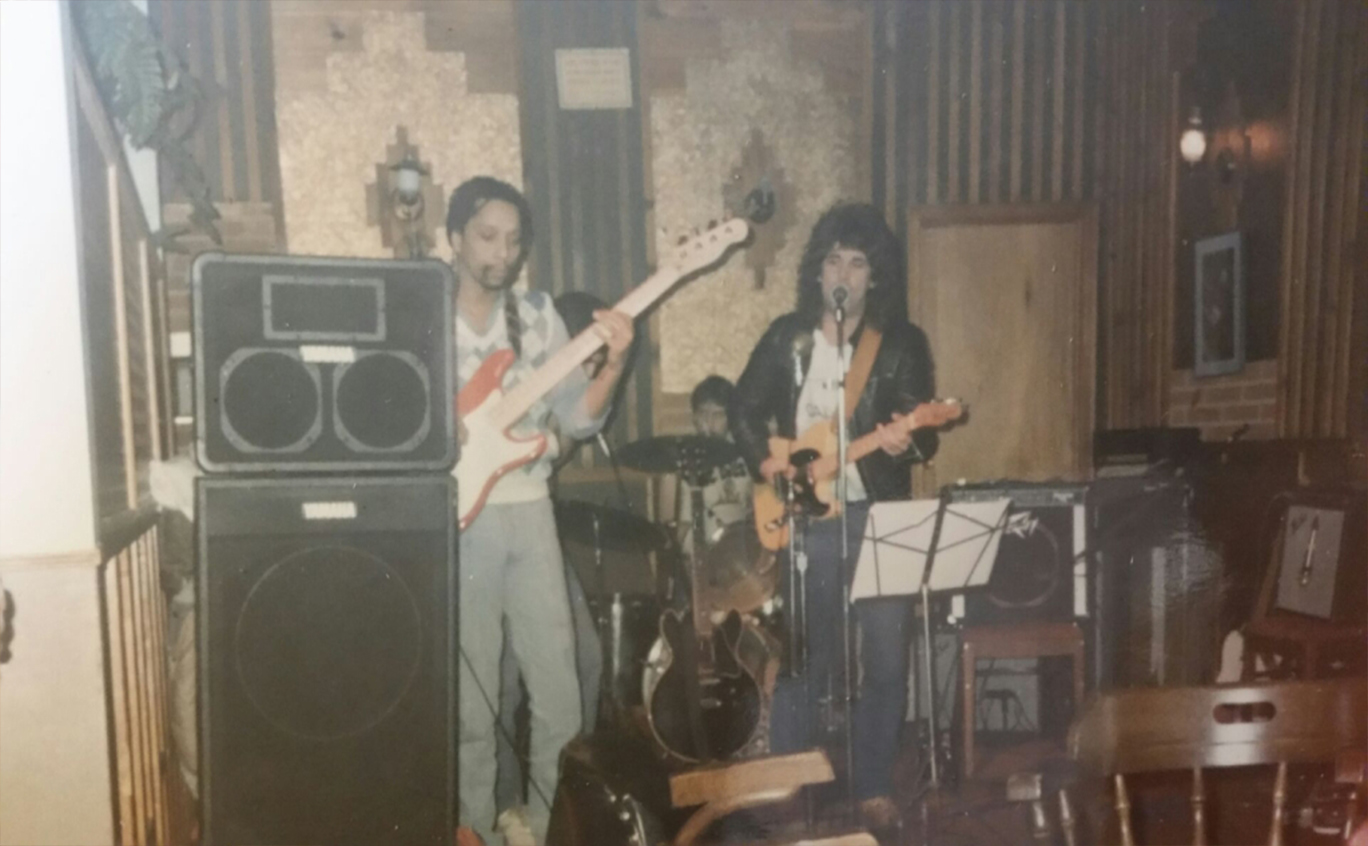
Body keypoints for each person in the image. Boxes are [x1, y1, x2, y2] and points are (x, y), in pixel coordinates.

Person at [730, 202, 938, 829]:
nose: (843, 273)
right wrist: (767, 464)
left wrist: (905, 441)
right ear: (817, 272)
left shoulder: (900, 344)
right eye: (833, 260)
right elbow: (743, 409)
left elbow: (925, 433)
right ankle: (786, 784)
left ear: (875, 276)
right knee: (802, 660)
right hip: (807, 517)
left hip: (878, 515)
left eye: (858, 262)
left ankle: (872, 784)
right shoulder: (786, 338)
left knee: (886, 659)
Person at [448, 177, 634, 846]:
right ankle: (475, 830)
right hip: (461, 521)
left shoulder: (539, 316)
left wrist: (613, 363)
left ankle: (552, 828)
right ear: (455, 239)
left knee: (560, 693)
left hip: (531, 514)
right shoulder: (422, 316)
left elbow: (577, 419)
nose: (503, 252)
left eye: (513, 240)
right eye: (487, 236)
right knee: (473, 706)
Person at [493, 291, 613, 845]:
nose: (589, 370)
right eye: (587, 359)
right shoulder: (524, 359)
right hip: (482, 528)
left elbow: (564, 439)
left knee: (586, 659)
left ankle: (567, 799)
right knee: (498, 687)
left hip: (537, 530)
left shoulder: (571, 386)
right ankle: (503, 809)